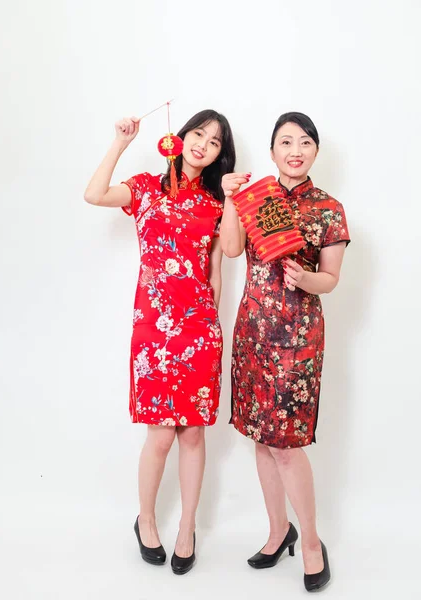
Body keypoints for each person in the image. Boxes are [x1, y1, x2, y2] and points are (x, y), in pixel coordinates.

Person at [84, 109, 236, 575]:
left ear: (217, 156)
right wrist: (120, 142)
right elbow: (94, 194)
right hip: (153, 327)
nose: (202, 145)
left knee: (193, 432)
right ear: (181, 136)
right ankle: (145, 519)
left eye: (213, 143)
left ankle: (187, 526)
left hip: (198, 329)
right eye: (198, 134)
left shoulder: (214, 203)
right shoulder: (148, 187)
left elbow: (220, 268)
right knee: (160, 436)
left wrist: (212, 328)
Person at [220, 112, 350, 592]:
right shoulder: (256, 198)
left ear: (316, 151)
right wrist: (232, 200)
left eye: (305, 142)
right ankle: (279, 531)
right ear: (273, 151)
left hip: (297, 340)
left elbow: (331, 280)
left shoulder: (329, 208)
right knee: (260, 437)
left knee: (288, 447)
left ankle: (312, 542)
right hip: (253, 331)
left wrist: (307, 278)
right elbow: (232, 249)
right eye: (285, 142)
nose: (295, 150)